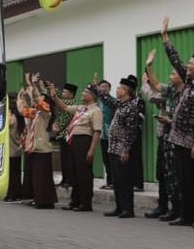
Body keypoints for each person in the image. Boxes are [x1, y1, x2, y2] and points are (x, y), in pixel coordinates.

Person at [161, 17, 194, 229]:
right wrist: (166, 38)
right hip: (179, 139)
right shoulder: (190, 83)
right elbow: (175, 60)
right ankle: (187, 214)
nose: (186, 66)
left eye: (191, 64)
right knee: (185, 180)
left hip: (193, 143)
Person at [91, 75, 142, 218]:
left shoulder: (131, 107)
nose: (117, 90)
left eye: (119, 88)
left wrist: (125, 150)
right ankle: (119, 207)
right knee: (116, 180)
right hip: (113, 148)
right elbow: (107, 100)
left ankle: (128, 209)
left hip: (122, 149)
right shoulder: (120, 104)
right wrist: (97, 88)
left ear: (126, 91)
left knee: (124, 180)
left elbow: (131, 132)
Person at [48, 81, 103, 211]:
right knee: (74, 172)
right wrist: (54, 96)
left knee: (83, 173)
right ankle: (75, 201)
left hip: (84, 141)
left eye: (86, 92)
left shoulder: (96, 111)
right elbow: (65, 108)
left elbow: (97, 131)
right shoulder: (80, 108)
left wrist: (91, 150)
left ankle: (85, 202)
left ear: (93, 96)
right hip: (73, 140)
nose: (83, 94)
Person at [143, 50, 183, 220]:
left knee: (174, 174)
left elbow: (152, 94)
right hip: (165, 137)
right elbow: (157, 84)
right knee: (163, 172)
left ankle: (177, 208)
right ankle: (164, 206)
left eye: (173, 73)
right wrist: (149, 65)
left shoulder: (186, 92)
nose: (170, 75)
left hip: (178, 139)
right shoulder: (170, 91)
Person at [19, 74, 57, 210]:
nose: (37, 101)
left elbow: (38, 100)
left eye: (41, 99)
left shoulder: (46, 113)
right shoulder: (35, 113)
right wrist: (22, 96)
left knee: (42, 177)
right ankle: (38, 198)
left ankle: (45, 201)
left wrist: (32, 85)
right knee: (36, 177)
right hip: (34, 147)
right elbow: (22, 110)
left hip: (43, 148)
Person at [52, 83, 78, 190]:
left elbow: (63, 120)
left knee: (68, 159)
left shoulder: (70, 104)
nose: (62, 93)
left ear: (71, 94)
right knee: (64, 159)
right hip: (62, 135)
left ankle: (69, 180)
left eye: (65, 92)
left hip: (67, 135)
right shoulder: (65, 101)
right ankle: (65, 179)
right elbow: (57, 96)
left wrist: (56, 127)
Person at [4, 94, 27, 202]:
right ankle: (17, 193)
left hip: (11, 149)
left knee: (11, 174)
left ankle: (11, 194)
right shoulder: (20, 117)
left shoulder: (12, 117)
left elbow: (6, 124)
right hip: (17, 149)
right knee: (16, 172)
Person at [97, 80, 115, 190]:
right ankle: (109, 182)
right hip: (101, 134)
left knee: (111, 160)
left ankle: (113, 182)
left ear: (109, 88)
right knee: (105, 160)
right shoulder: (97, 101)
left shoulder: (113, 101)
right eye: (101, 86)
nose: (103, 88)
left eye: (105, 86)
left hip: (111, 134)